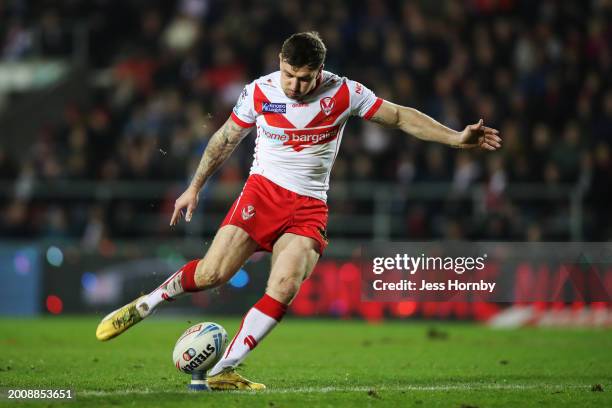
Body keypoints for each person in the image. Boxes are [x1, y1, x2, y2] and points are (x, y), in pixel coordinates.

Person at [95, 32, 502, 390]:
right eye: (289, 74)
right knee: (212, 274)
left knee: (285, 284)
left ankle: (224, 369)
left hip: (309, 208)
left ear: (320, 71)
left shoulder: (344, 93)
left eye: (305, 78)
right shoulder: (260, 92)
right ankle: (149, 302)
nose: (294, 85)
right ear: (279, 64)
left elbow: (398, 116)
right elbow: (224, 138)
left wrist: (455, 139)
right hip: (262, 193)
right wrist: (194, 187)